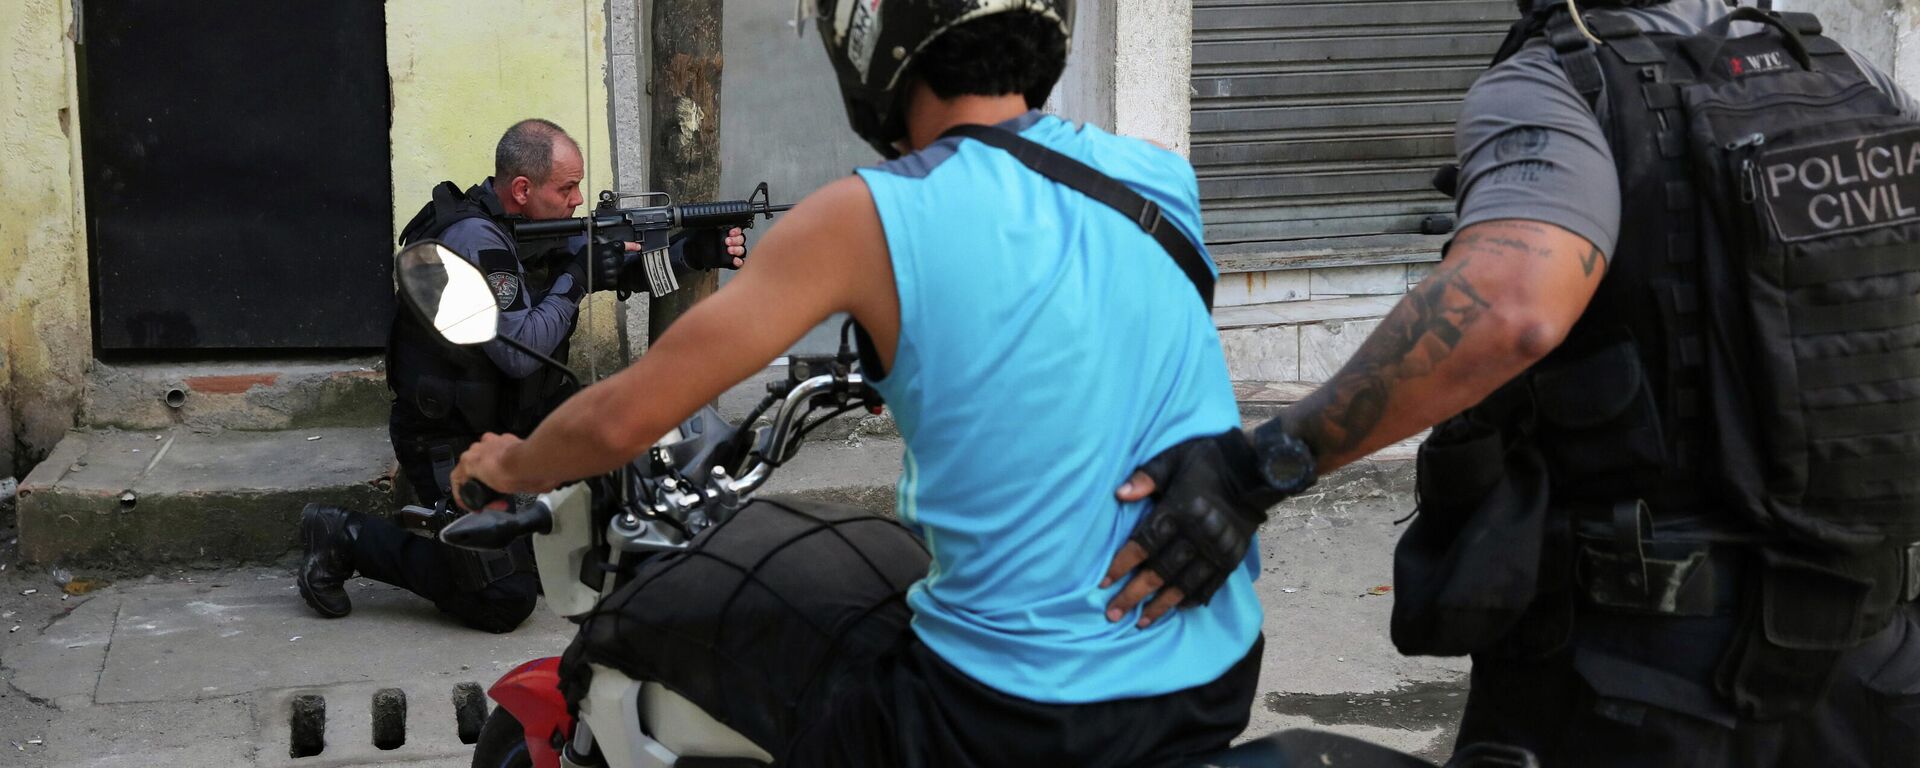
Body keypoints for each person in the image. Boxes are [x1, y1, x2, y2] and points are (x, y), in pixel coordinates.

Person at [1099, 1, 1920, 765]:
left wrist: (1258, 468)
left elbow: (1513, 304)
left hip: (1644, 681)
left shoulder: (1563, 82)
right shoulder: (1846, 75)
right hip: (1870, 663)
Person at [451, 1, 1271, 763]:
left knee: (683, 656)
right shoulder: (1158, 176)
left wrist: (507, 464)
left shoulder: (869, 215)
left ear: (869, 46)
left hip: (1010, 713)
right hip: (1214, 670)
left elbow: (616, 422)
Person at [296, 118, 747, 633]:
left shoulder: (531, 226)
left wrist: (690, 254)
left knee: (624, 437)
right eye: (567, 187)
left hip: (514, 414)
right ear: (522, 189)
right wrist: (578, 282)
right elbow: (522, 351)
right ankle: (345, 536)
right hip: (450, 437)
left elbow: (613, 265)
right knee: (504, 599)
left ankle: (533, 546)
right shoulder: (476, 239)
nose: (578, 199)